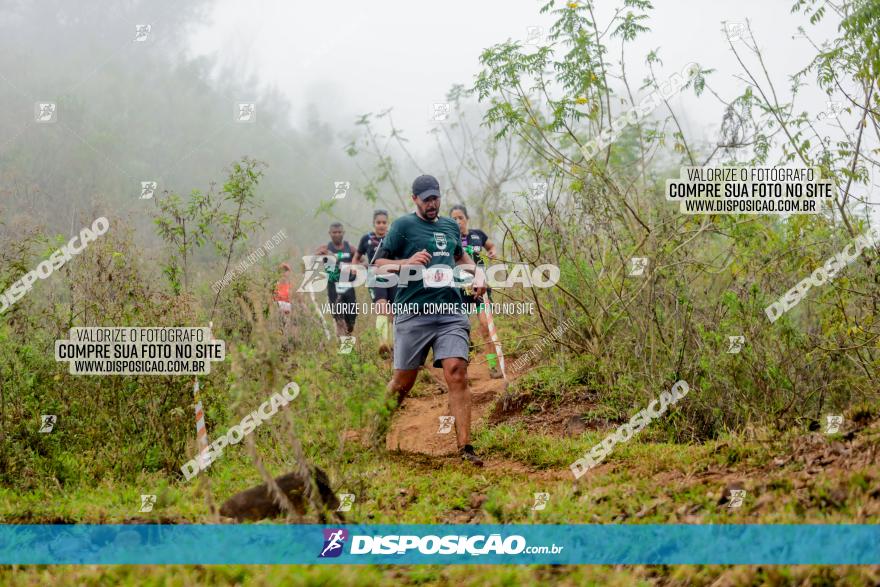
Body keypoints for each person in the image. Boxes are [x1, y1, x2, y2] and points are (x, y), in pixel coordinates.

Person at [373, 174, 486, 467]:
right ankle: (374, 435)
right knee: (403, 382)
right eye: (427, 199)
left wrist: (479, 274)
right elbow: (378, 265)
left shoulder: (450, 226)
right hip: (413, 313)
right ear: (415, 200)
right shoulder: (402, 226)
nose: (433, 204)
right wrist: (405, 263)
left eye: (436, 198)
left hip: (451, 311)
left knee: (457, 371)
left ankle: (466, 448)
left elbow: (462, 259)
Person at [449, 205, 503, 379]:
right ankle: (464, 364)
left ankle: (493, 366)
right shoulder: (450, 239)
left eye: (460, 218)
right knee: (462, 330)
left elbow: (491, 246)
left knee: (485, 326)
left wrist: (493, 253)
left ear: (467, 219)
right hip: (460, 291)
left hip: (480, 288)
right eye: (454, 219)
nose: (458, 221)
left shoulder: (477, 234)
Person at [353, 209, 396, 357]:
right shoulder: (366, 239)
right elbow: (357, 256)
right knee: (381, 307)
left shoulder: (393, 237)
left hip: (392, 276)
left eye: (384, 222)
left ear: (387, 223)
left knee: (393, 312)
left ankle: (392, 346)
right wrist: (355, 267)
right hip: (374, 277)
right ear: (374, 224)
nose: (381, 225)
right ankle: (382, 344)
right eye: (378, 222)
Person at [315, 222, 357, 337]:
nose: (337, 235)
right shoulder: (326, 248)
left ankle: (347, 342)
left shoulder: (350, 248)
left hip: (348, 287)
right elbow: (312, 260)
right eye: (334, 232)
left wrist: (354, 267)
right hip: (333, 288)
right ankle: (344, 351)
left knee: (351, 321)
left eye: (339, 232)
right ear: (330, 233)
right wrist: (321, 255)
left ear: (343, 233)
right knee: (339, 319)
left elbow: (363, 260)